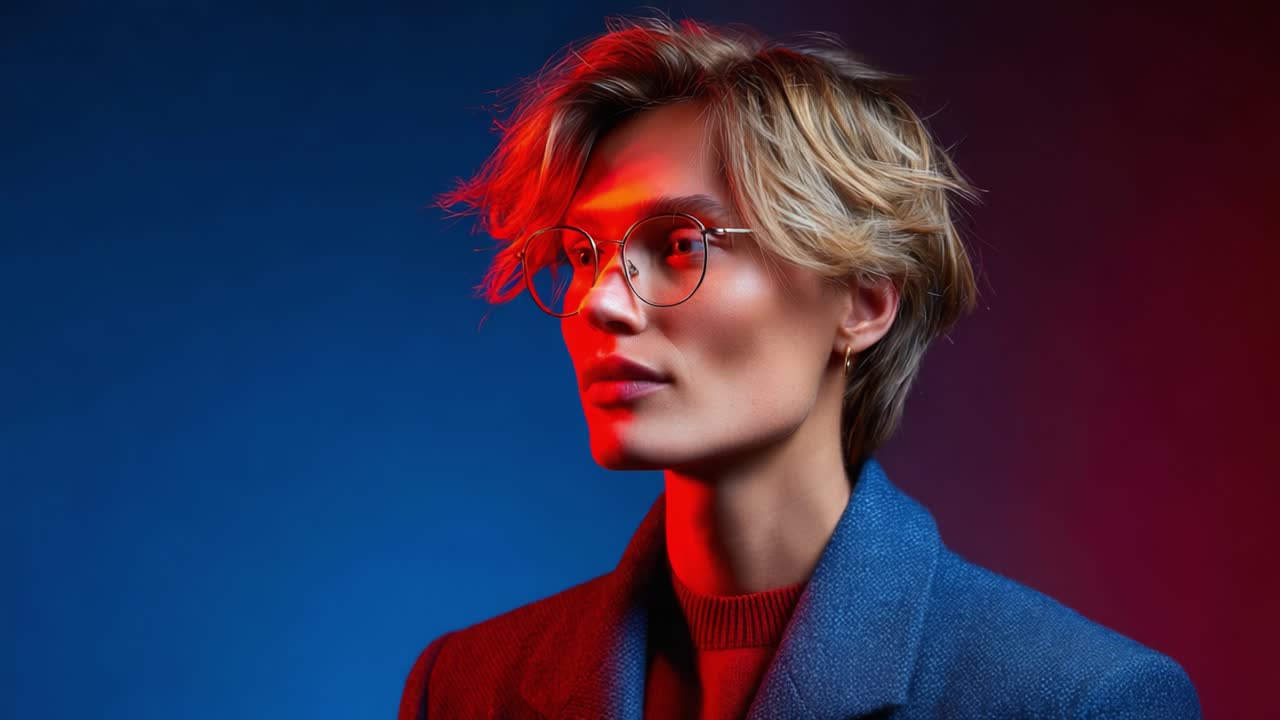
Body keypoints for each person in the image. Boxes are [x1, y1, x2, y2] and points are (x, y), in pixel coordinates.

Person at [399, 16, 1200, 720]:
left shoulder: (1075, 700)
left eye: (679, 245)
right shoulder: (468, 687)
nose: (601, 302)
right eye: (582, 253)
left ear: (863, 303)